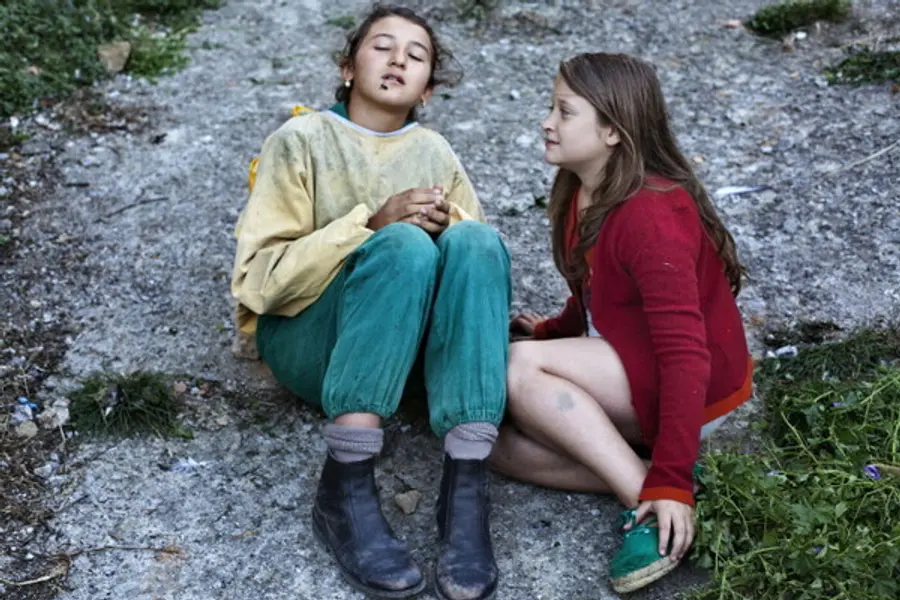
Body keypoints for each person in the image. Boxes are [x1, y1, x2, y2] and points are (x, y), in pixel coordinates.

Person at [230, 5, 509, 599]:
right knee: (403, 244)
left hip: (409, 365)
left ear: (427, 89)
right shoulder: (302, 139)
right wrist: (370, 226)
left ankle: (465, 491)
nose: (398, 59)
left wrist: (450, 227)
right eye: (382, 46)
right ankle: (345, 487)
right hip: (316, 345)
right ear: (347, 68)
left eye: (416, 54)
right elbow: (259, 282)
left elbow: (473, 276)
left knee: (477, 240)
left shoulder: (436, 153)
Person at [489, 52, 754, 594]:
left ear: (612, 131)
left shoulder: (651, 216)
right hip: (637, 364)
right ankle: (673, 478)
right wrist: (554, 331)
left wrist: (668, 481)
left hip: (698, 388)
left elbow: (686, 355)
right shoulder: (579, 189)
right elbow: (596, 289)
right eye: (551, 107)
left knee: (517, 370)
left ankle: (656, 497)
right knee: (494, 448)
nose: (547, 122)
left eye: (565, 112)